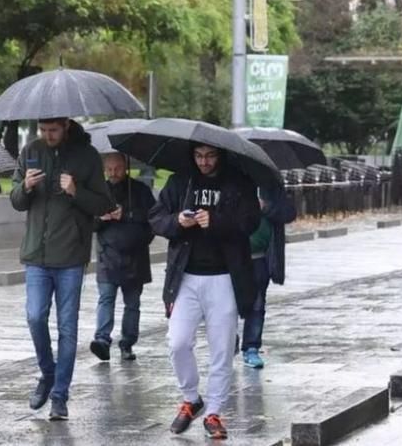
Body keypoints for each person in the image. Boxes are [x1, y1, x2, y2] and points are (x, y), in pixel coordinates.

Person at [149, 144, 260, 440]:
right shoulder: (181, 181)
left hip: (224, 277)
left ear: (221, 154)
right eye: (198, 156)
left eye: (210, 156)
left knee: (222, 348)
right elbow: (156, 217)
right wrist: (178, 222)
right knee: (177, 342)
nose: (204, 162)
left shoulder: (238, 182)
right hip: (185, 276)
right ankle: (191, 398)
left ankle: (213, 411)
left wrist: (217, 221)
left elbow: (250, 222)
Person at [9, 117, 114, 420]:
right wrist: (25, 187)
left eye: (53, 129)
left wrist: (75, 191)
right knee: (34, 316)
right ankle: (47, 373)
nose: (47, 135)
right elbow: (16, 200)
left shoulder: (88, 156)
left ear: (66, 125)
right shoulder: (31, 150)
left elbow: (104, 204)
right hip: (35, 256)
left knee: (67, 328)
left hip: (70, 256)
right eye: (43, 129)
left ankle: (60, 396)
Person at [90, 152, 156, 362]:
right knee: (106, 298)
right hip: (107, 255)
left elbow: (153, 220)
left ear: (125, 167)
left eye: (117, 168)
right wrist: (102, 218)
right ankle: (102, 339)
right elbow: (88, 222)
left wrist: (126, 214)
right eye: (109, 169)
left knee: (132, 304)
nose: (113, 173)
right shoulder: (98, 191)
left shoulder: (140, 191)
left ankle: (127, 342)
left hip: (135, 257)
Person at [240, 186, 296, 368]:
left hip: (260, 258)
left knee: (257, 305)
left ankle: (251, 347)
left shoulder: (271, 186)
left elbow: (289, 213)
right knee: (225, 306)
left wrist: (265, 206)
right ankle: (227, 342)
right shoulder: (230, 182)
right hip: (230, 257)